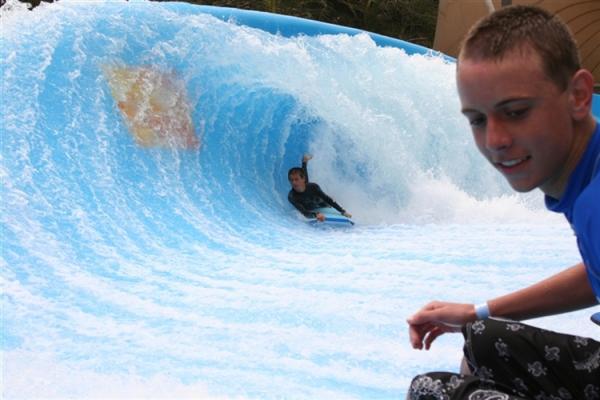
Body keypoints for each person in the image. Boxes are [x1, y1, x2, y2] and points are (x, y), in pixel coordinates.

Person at [406, 5, 599, 400]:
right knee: (482, 338)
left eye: (515, 112)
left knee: (434, 392)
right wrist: (478, 311)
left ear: (579, 96)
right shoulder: (585, 177)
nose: (495, 140)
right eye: (477, 119)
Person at [288, 154, 352, 222]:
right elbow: (305, 213)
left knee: (308, 186)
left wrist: (342, 211)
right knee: (305, 184)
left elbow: (327, 199)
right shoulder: (292, 196)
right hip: (309, 207)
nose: (293, 182)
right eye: (291, 180)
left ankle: (304, 162)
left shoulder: (313, 187)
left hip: (319, 202)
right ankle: (304, 161)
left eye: (296, 179)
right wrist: (316, 215)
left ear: (302, 179)